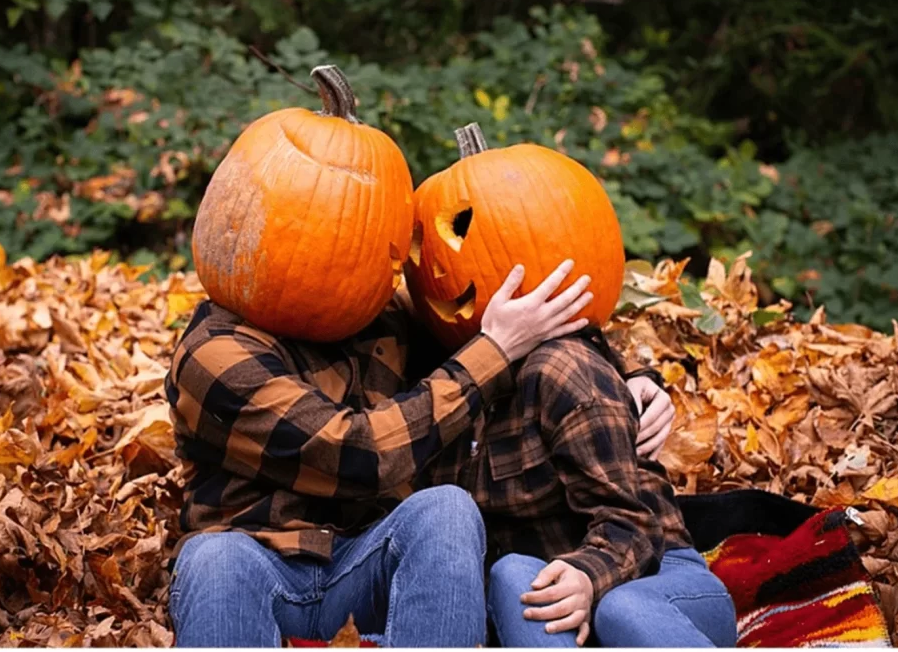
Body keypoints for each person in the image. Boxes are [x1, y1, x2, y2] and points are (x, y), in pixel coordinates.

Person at [163, 260, 672, 647]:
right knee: (214, 557)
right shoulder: (214, 353)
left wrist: (631, 377)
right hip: (255, 560)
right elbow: (357, 454)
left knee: (446, 509)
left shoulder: (380, 315)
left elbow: (520, 327)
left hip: (369, 560)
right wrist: (492, 350)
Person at [422, 328, 737, 647]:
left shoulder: (564, 369)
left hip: (656, 571)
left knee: (622, 609)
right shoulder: (431, 392)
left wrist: (587, 577)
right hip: (559, 598)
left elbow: (637, 525)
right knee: (511, 574)